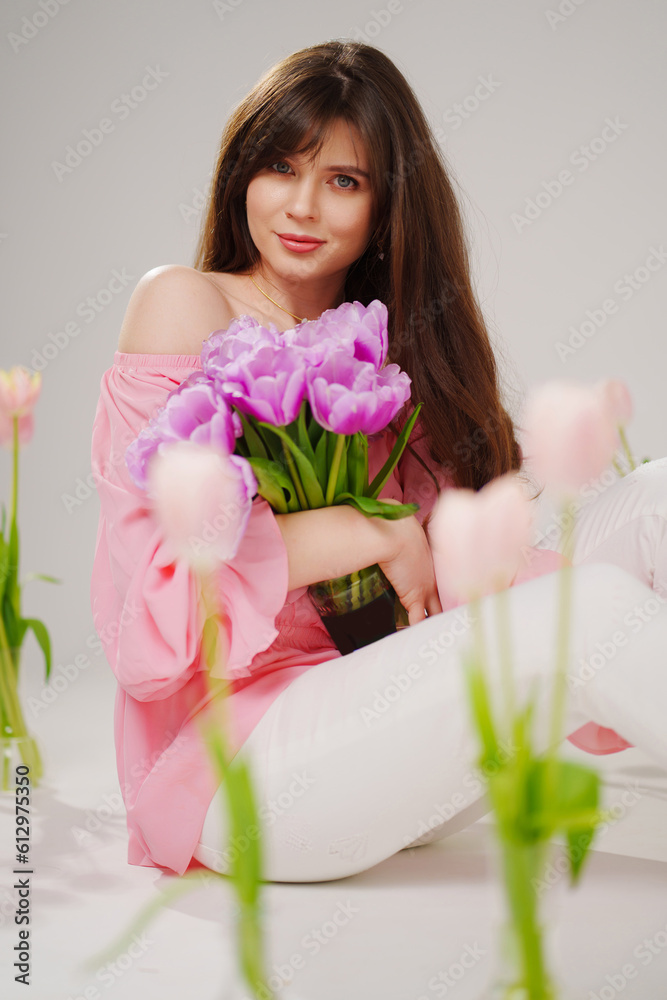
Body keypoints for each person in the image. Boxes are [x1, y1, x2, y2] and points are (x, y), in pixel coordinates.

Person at [90, 40, 667, 883]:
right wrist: (362, 530)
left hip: (396, 743)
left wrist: (429, 544)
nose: (301, 207)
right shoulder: (186, 303)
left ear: (388, 203)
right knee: (597, 609)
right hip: (248, 773)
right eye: (280, 167)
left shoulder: (385, 342)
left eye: (344, 181)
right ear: (241, 173)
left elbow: (445, 599)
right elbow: (157, 603)